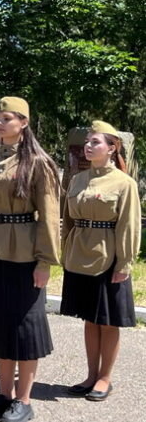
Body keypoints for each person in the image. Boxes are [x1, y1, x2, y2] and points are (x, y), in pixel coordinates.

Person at [0, 96, 60, 422]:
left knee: (24, 325)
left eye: (6, 118)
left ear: (23, 123)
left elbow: (49, 215)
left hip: (24, 251)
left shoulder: (37, 161)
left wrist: (45, 260)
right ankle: (4, 394)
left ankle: (24, 398)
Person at [60, 120, 141, 401]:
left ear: (111, 148)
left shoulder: (123, 183)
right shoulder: (78, 180)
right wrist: (65, 251)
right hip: (79, 255)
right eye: (87, 142)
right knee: (89, 319)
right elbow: (68, 220)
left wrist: (124, 263)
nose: (88, 146)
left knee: (108, 321)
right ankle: (91, 375)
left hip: (107, 257)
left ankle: (105, 378)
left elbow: (129, 226)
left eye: (95, 142)